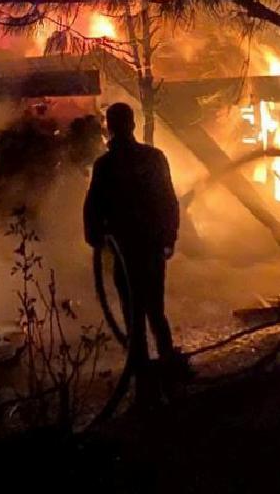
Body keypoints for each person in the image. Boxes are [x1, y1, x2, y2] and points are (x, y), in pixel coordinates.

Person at [83, 102, 187, 387]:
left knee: (133, 316)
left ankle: (144, 379)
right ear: (132, 125)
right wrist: (169, 238)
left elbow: (93, 207)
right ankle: (168, 370)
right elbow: (169, 202)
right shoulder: (154, 158)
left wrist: (95, 238)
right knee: (155, 310)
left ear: (111, 127)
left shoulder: (105, 165)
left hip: (125, 252)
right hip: (150, 249)